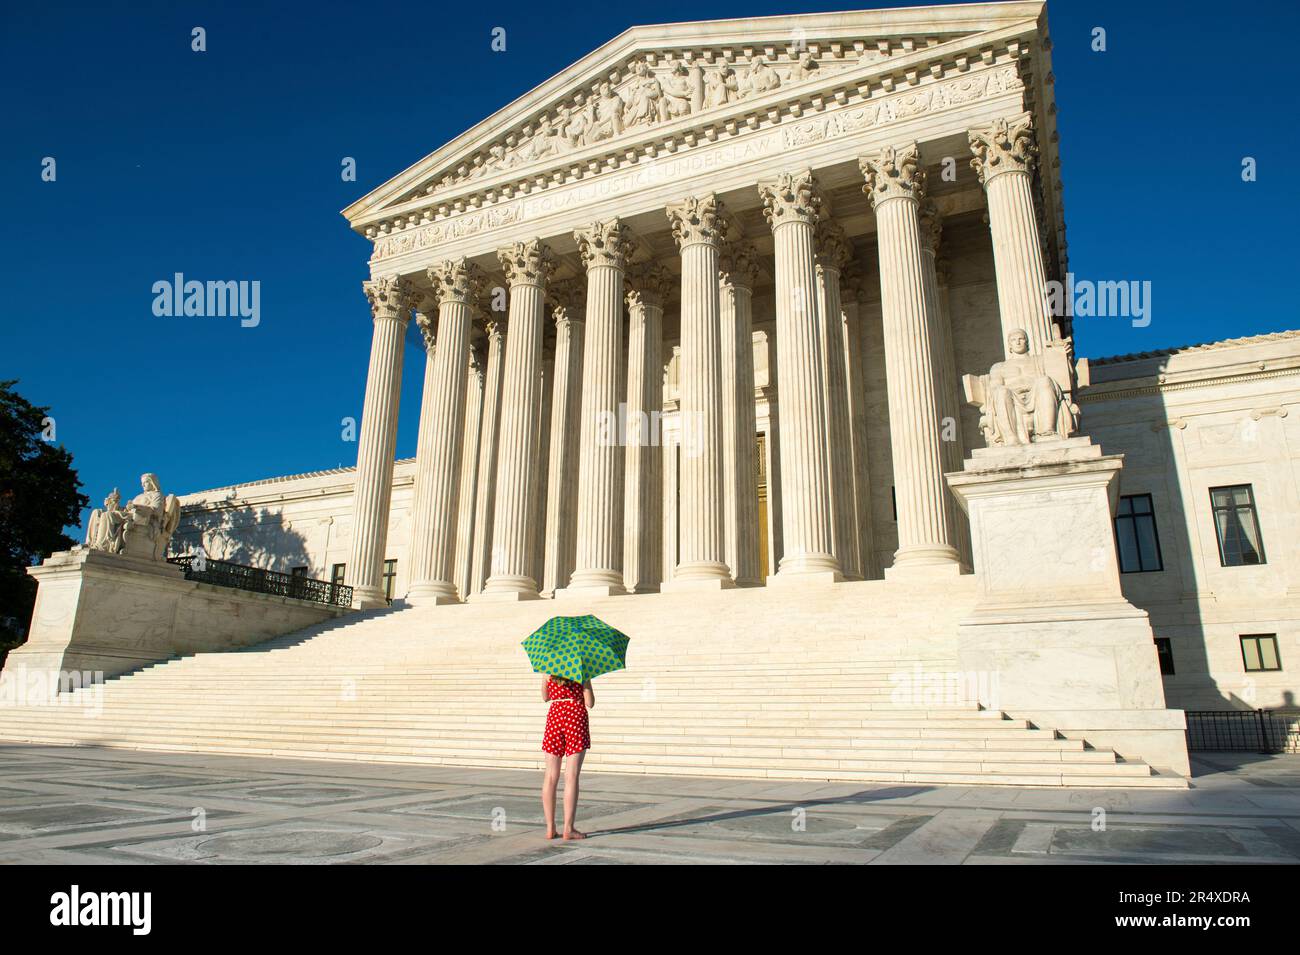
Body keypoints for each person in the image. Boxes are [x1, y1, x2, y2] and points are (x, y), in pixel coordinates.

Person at [540, 673, 595, 841]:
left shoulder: (548, 671)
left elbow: (545, 697)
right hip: (575, 715)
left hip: (555, 714)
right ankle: (568, 829)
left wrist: (546, 679)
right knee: (571, 776)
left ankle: (550, 827)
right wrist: (587, 681)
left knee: (550, 776)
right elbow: (590, 703)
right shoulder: (581, 672)